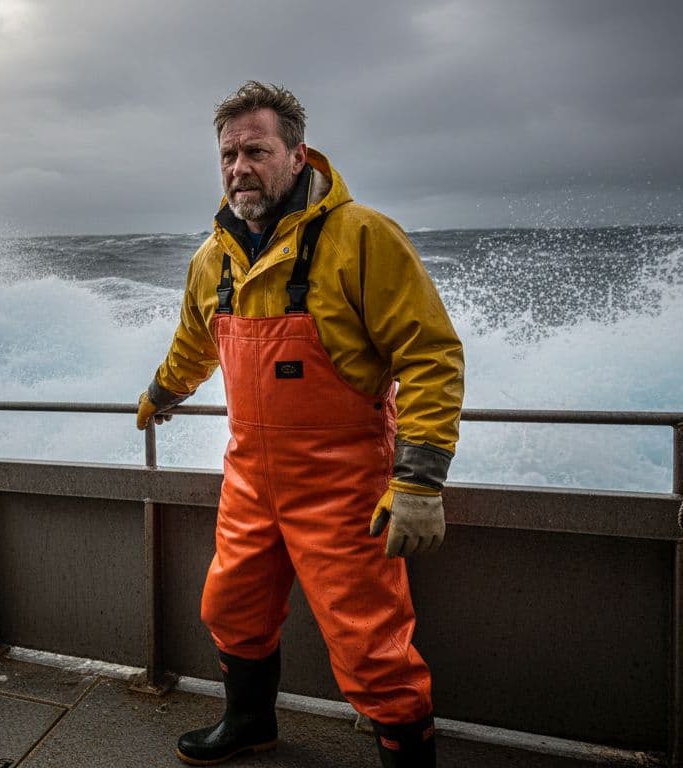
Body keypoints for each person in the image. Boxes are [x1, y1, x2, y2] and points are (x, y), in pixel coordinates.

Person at [135, 81, 464, 768]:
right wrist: (163, 391)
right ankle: (249, 725)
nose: (238, 169)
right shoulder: (212, 258)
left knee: (374, 649)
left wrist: (421, 481)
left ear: (297, 154)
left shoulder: (363, 237)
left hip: (344, 484)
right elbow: (194, 343)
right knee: (230, 610)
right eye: (228, 155)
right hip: (250, 477)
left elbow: (430, 354)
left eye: (256, 150)